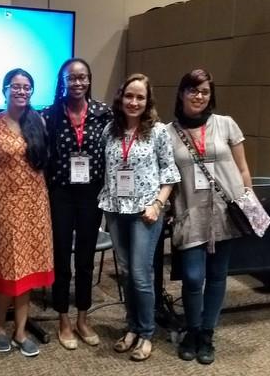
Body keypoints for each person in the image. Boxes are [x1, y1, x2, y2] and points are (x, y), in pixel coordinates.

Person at [167, 69, 253, 365]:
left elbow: (242, 169)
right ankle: (191, 329)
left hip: (225, 210)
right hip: (189, 211)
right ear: (181, 93)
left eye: (204, 91)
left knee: (217, 276)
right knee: (192, 277)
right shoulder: (168, 132)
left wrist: (248, 202)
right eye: (193, 90)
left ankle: (206, 334)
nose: (199, 96)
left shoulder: (226, 124)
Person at [98, 74, 180, 361]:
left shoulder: (157, 132)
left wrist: (158, 204)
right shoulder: (110, 130)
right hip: (116, 210)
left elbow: (170, 174)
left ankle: (146, 333)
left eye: (140, 97)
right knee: (127, 274)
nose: (133, 102)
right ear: (121, 98)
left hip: (146, 212)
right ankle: (131, 326)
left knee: (142, 275)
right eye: (129, 96)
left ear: (148, 102)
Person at [0, 68, 54, 357]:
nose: (21, 91)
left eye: (26, 87)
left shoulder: (39, 122)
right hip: (3, 207)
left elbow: (42, 167)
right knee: (7, 269)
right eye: (15, 86)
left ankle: (21, 330)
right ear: (5, 89)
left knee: (29, 270)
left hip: (35, 206)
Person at [42, 58, 112, 350]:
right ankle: (63, 318)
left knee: (85, 257)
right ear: (63, 81)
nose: (77, 83)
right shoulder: (50, 114)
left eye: (82, 77)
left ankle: (83, 318)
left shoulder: (102, 113)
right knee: (61, 256)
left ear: (89, 80)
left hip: (90, 193)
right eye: (71, 78)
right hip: (61, 193)